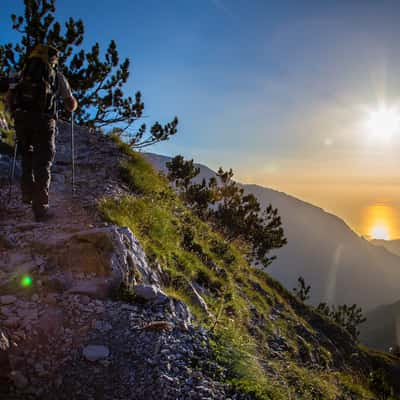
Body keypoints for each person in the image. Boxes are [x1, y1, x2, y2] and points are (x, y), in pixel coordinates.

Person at [7, 44, 78, 221]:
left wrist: (14, 112)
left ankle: (26, 194)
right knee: (43, 161)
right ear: (53, 58)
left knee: (27, 156)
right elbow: (70, 104)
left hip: (22, 120)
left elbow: (8, 93)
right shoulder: (56, 76)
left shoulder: (21, 73)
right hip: (44, 121)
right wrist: (71, 105)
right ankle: (41, 208)